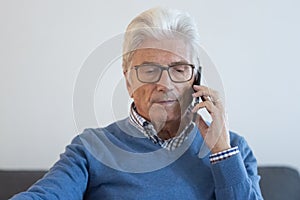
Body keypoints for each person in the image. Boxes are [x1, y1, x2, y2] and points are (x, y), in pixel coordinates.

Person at [11, 7, 263, 200]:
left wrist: (221, 153)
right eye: (150, 70)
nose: (165, 83)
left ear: (195, 78)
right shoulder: (91, 148)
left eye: (179, 69)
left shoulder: (234, 149)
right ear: (128, 80)